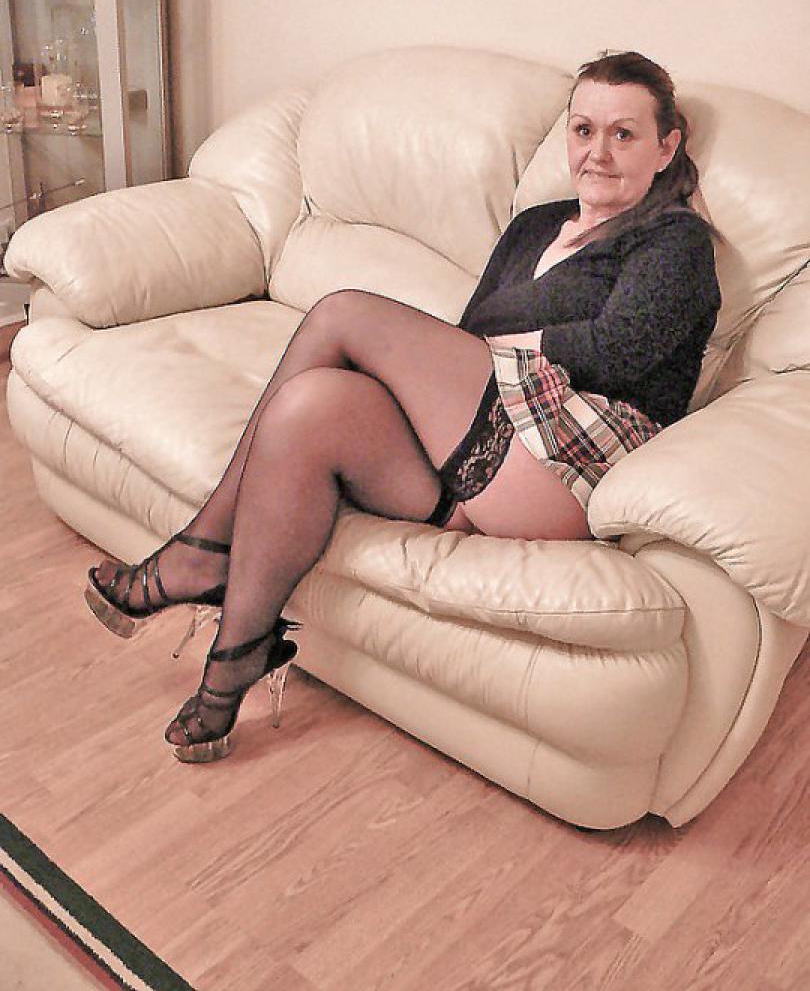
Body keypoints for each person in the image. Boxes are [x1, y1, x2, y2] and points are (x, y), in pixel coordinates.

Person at [85, 50, 721, 763]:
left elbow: (619, 350)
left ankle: (202, 549)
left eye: (623, 134)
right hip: (484, 451)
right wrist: (466, 364)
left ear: (666, 146)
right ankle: (239, 653)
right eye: (583, 130)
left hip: (569, 462)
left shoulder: (676, 240)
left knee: (342, 313)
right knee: (311, 404)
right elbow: (471, 331)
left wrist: (511, 343)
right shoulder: (535, 225)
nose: (597, 152)